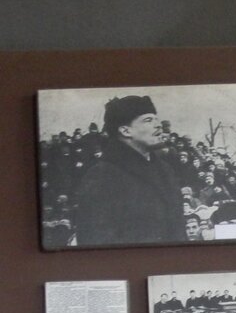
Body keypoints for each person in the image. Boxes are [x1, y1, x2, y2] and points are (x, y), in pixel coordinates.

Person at [73, 95, 185, 246]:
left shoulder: (165, 170)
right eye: (148, 120)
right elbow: (95, 240)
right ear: (125, 131)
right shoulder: (102, 175)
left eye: (156, 119)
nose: (158, 125)